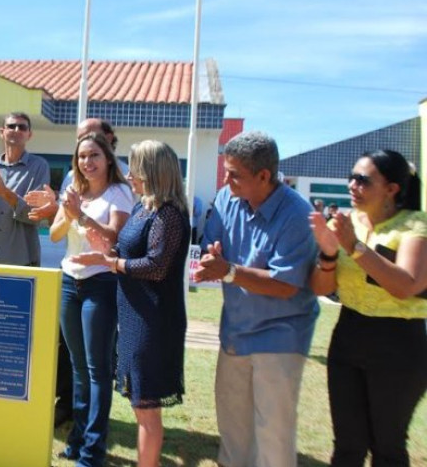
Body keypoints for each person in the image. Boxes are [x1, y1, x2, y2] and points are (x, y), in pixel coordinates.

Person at [195, 130, 318, 467]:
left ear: (264, 176)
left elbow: (285, 285)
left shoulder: (297, 214)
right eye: (225, 170)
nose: (226, 179)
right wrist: (211, 256)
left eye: (234, 174)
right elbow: (212, 242)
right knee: (233, 434)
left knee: (273, 438)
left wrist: (228, 270)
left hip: (281, 335)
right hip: (235, 331)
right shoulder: (226, 198)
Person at [72, 140, 190, 467]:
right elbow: (128, 254)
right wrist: (106, 254)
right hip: (136, 315)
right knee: (141, 405)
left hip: (155, 321)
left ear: (152, 171)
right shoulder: (143, 207)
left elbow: (156, 266)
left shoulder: (170, 214)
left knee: (146, 407)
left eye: (134, 167)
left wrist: (113, 265)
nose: (129, 174)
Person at [308, 149, 426, 466]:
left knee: (387, 447)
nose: (352, 185)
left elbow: (406, 285)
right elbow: (321, 288)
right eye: (351, 177)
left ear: (392, 189)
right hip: (349, 334)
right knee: (347, 445)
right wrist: (330, 253)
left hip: (399, 344)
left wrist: (353, 247)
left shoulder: (416, 226)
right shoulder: (348, 224)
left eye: (362, 180)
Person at [50, 133, 131, 467]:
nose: (87, 162)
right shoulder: (74, 192)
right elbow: (55, 234)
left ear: (108, 158)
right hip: (70, 283)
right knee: (78, 368)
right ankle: (78, 439)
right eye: (82, 156)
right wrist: (69, 211)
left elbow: (111, 241)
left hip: (101, 284)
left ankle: (92, 452)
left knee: (98, 372)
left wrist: (81, 216)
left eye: (94, 155)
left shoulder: (120, 193)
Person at [0, 112, 50, 266]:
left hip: (21, 260)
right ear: (2, 132)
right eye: (11, 126)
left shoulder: (39, 166)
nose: (17, 130)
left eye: (22, 127)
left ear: (29, 134)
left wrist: (4, 192)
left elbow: (34, 214)